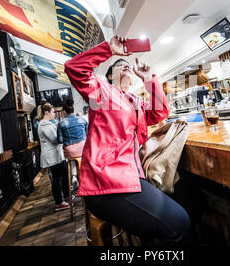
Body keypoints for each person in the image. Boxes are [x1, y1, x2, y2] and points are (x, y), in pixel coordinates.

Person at [64, 35, 190, 245]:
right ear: (110, 75)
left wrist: (149, 78)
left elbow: (160, 112)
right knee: (179, 224)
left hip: (133, 178)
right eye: (119, 66)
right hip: (109, 183)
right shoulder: (101, 92)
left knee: (187, 200)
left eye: (128, 66)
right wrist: (109, 49)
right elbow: (74, 68)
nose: (126, 67)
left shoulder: (136, 102)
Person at [37, 103, 71, 211]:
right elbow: (55, 139)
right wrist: (62, 131)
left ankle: (67, 197)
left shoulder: (49, 123)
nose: (54, 114)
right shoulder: (43, 124)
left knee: (65, 175)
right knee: (57, 180)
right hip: (53, 157)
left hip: (59, 155)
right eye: (52, 112)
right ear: (46, 112)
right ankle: (59, 202)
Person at [57, 99, 88, 190]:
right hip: (83, 148)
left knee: (71, 158)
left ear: (64, 111)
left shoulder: (61, 123)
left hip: (71, 151)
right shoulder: (82, 120)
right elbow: (87, 134)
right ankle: (84, 176)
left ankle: (74, 175)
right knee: (81, 156)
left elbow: (60, 140)